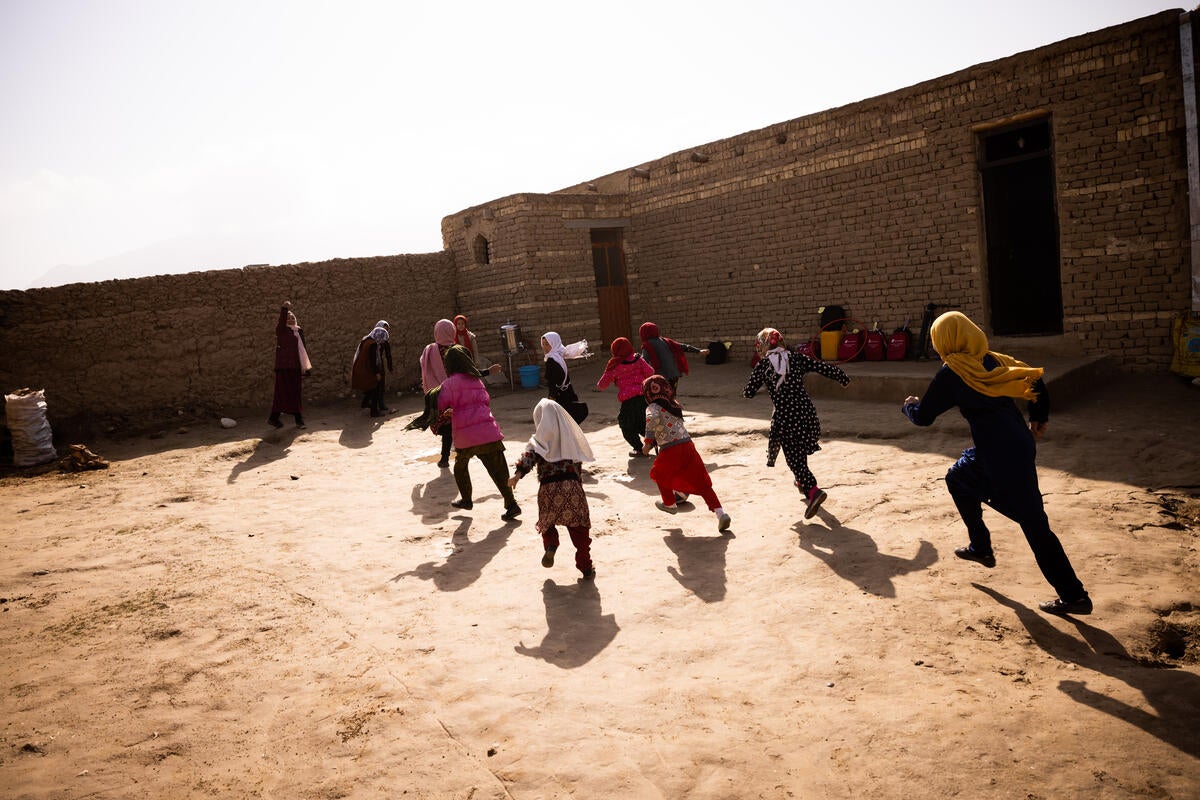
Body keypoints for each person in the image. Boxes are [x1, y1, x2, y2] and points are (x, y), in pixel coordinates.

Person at [901, 311, 1091, 616]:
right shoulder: (992, 360)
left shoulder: (953, 372)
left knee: (1033, 523)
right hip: (1014, 445)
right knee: (958, 478)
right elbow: (1034, 378)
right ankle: (980, 546)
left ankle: (1074, 595)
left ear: (946, 341)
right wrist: (1039, 417)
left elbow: (924, 417)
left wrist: (909, 406)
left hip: (999, 455)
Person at [743, 327, 850, 519]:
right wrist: (842, 378)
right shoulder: (797, 358)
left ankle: (814, 490)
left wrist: (756, 387)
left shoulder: (764, 365)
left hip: (786, 418)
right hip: (807, 413)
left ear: (763, 346)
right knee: (798, 452)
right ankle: (802, 485)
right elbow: (823, 367)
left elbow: (749, 392)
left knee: (793, 459)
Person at [507, 398, 597, 579]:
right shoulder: (569, 437)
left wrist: (517, 475)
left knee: (547, 524)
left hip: (548, 490)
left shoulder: (539, 442)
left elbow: (528, 458)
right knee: (579, 529)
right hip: (571, 487)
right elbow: (578, 464)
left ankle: (551, 546)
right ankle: (585, 565)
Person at [437, 345, 521, 520]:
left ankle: (466, 500)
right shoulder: (477, 380)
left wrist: (452, 411)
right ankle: (511, 504)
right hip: (487, 432)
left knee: (460, 467)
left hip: (465, 435)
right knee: (499, 470)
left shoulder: (448, 384)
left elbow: (441, 404)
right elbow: (485, 401)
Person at [642, 374, 731, 532]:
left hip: (671, 448)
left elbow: (652, 420)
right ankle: (720, 513)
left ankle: (669, 503)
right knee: (702, 482)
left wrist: (647, 444)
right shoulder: (673, 404)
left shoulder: (653, 407)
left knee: (658, 473)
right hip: (688, 445)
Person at [595, 337, 654, 457]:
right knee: (642, 422)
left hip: (629, 401)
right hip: (643, 398)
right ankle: (652, 441)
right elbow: (651, 372)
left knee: (625, 424)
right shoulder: (638, 359)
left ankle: (639, 448)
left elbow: (601, 385)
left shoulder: (615, 364)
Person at [419, 319, 459, 468]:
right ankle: (462, 455)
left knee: (447, 427)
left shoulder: (429, 350)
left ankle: (444, 459)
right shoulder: (456, 350)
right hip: (455, 394)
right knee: (458, 425)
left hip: (437, 395)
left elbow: (424, 369)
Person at [268, 300, 310, 429]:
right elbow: (281, 321)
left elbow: (303, 350)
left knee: (295, 393)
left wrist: (306, 369)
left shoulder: (298, 331)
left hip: (296, 367)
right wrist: (284, 309)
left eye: (292, 317)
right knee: (281, 394)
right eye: (288, 317)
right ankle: (275, 418)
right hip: (283, 367)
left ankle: (297, 420)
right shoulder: (281, 331)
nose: (291, 318)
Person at [638, 321, 709, 392]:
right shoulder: (666, 341)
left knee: (663, 398)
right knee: (672, 396)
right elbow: (683, 346)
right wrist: (698, 351)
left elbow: (644, 362)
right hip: (674, 375)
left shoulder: (647, 345)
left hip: (661, 378)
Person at [351, 321, 394, 417]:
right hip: (369, 369)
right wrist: (377, 373)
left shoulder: (368, 340)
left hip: (366, 368)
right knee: (375, 388)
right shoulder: (373, 344)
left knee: (373, 388)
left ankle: (368, 404)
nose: (383, 341)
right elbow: (372, 360)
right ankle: (374, 412)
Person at [541, 331, 586, 422]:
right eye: (543, 344)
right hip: (568, 393)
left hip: (560, 397)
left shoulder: (551, 360)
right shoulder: (558, 356)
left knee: (562, 424)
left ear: (554, 344)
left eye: (547, 344)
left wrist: (551, 399)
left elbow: (553, 381)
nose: (544, 347)